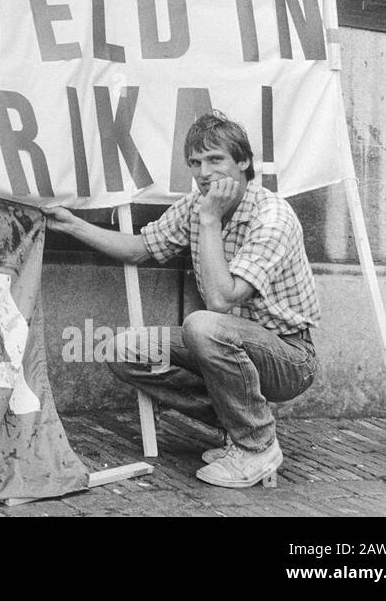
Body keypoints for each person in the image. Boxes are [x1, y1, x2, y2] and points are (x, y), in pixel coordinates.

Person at [41, 111, 319, 489]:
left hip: (288, 357)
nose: (204, 173)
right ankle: (242, 425)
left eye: (215, 160)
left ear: (244, 162)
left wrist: (210, 221)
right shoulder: (197, 204)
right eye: (195, 163)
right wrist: (72, 224)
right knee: (124, 349)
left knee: (203, 323)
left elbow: (222, 300)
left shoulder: (272, 216)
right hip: (227, 345)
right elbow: (141, 248)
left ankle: (257, 446)